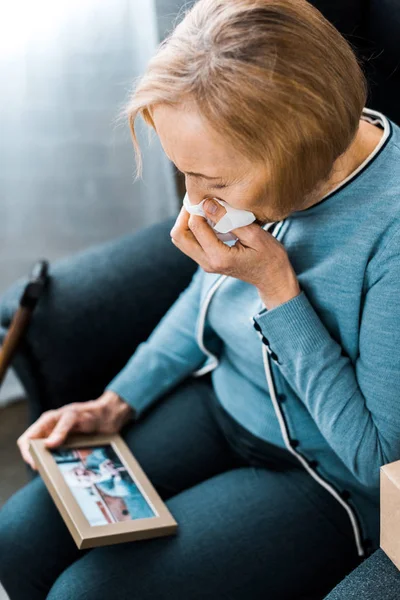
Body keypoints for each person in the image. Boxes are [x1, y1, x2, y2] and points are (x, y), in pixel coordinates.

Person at [1, 0, 400, 598]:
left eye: (211, 182)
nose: (194, 203)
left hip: (322, 477)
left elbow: (380, 463)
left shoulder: (389, 235)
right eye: (184, 174)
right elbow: (204, 295)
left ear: (298, 152)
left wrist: (277, 288)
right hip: (221, 402)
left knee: (86, 593)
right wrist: (117, 401)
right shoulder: (256, 163)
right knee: (16, 536)